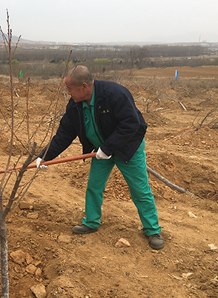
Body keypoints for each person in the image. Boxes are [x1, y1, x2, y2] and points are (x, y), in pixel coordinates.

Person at [36, 65, 163, 250]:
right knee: (94, 186)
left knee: (140, 190)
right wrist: (44, 156)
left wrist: (108, 147)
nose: (68, 92)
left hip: (128, 149)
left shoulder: (115, 94)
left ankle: (153, 230)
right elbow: (64, 133)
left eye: (70, 88)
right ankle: (91, 222)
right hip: (101, 152)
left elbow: (131, 124)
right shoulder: (75, 105)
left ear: (84, 87)